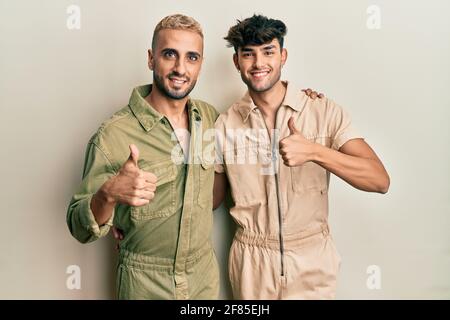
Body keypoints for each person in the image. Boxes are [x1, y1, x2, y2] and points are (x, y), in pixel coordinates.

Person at [213, 14, 390, 299]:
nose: (259, 64)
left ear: (283, 56)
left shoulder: (323, 111)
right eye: (248, 54)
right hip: (252, 263)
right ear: (237, 62)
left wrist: (315, 151)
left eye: (268, 52)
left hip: (313, 258)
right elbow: (208, 200)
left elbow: (379, 180)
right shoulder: (224, 125)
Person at [67, 14, 220, 300]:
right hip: (145, 282)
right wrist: (108, 196)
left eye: (192, 58)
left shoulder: (209, 118)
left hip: (203, 278)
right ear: (151, 59)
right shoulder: (113, 135)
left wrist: (306, 100)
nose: (180, 68)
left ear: (200, 65)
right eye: (169, 54)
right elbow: (79, 226)